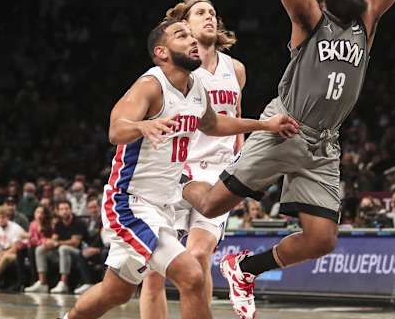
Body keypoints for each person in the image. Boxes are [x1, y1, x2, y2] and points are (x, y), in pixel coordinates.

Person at [181, 0, 395, 319]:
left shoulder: (366, 18)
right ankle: (175, 174)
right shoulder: (309, 18)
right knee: (206, 204)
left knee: (322, 239)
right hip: (285, 125)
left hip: (325, 142)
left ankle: (245, 268)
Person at [59, 19, 298, 319]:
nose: (192, 40)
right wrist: (142, 125)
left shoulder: (196, 86)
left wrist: (264, 124)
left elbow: (214, 124)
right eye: (181, 35)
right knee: (192, 275)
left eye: (191, 35)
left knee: (115, 292)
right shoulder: (151, 85)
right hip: (130, 203)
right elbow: (116, 129)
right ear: (161, 52)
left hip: (162, 206)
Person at [140, 0, 247, 319]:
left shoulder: (236, 69)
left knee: (199, 255)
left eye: (213, 12)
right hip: (175, 171)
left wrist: (240, 166)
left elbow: (236, 117)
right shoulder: (172, 69)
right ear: (183, 25)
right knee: (155, 271)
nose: (210, 17)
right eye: (201, 12)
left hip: (216, 175)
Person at [24, 200, 89, 293]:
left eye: (66, 209)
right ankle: (42, 283)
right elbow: (55, 238)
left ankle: (63, 283)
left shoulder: (78, 223)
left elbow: (75, 243)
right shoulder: (59, 224)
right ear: (58, 211)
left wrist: (57, 243)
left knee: (63, 248)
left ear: (71, 210)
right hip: (61, 252)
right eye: (61, 209)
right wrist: (49, 242)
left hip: (79, 253)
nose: (64, 211)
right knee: (40, 249)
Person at [0, 205, 28, 288]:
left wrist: (1, 254)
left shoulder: (15, 228)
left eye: (3, 217)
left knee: (5, 258)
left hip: (20, 255)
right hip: (3, 252)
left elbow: (15, 249)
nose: (0, 220)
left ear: (7, 217)